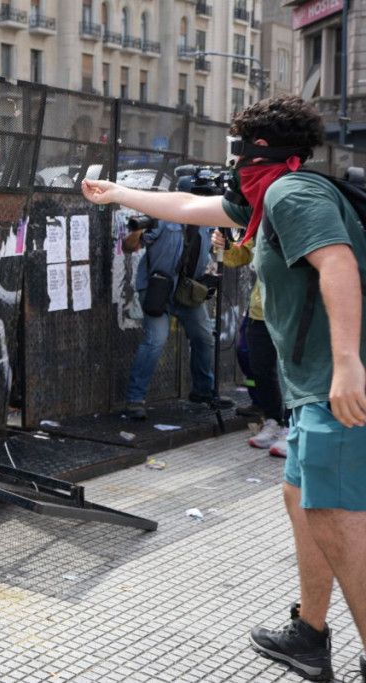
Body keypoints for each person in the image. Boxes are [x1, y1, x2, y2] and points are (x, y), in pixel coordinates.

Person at [82, 94, 366, 682]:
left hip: (334, 386)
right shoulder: (269, 195)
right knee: (302, 501)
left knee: (336, 515)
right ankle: (310, 634)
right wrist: (116, 193)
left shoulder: (292, 194)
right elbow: (189, 205)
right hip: (312, 386)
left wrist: (346, 365)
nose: (231, 161)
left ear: (257, 147)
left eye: (236, 148)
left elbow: (338, 264)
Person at [119, 203, 233, 420]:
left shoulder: (206, 220)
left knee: (204, 337)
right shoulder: (162, 216)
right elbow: (128, 247)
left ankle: (202, 392)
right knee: (155, 341)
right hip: (158, 290)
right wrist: (137, 231)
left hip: (187, 291)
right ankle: (135, 399)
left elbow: (218, 248)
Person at [212, 232, 289, 456]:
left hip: (293, 311)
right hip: (260, 310)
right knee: (259, 365)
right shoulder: (258, 223)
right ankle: (273, 420)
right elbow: (239, 256)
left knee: (291, 373)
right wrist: (226, 245)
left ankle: (292, 428)